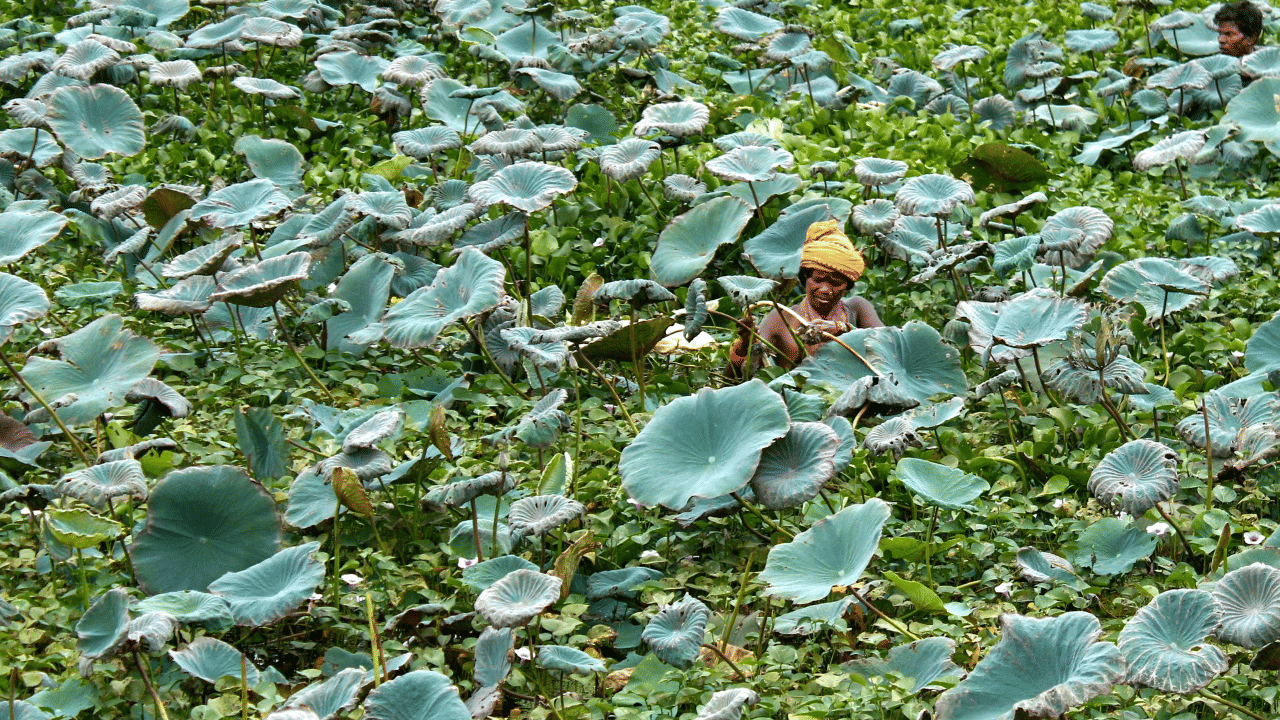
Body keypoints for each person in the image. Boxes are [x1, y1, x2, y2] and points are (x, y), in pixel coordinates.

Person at [728, 219, 883, 376]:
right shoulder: (781, 318)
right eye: (817, 280)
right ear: (805, 278)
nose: (825, 289)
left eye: (835, 284)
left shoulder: (857, 308)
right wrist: (744, 345)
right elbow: (732, 377)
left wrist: (843, 329)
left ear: (847, 286)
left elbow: (889, 344)